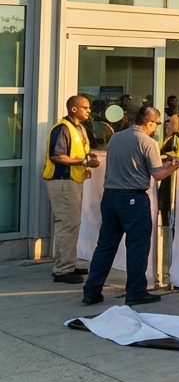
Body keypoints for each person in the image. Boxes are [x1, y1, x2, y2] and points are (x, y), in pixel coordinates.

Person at [81, 106, 179, 307]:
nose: (157, 127)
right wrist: (172, 167)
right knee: (137, 247)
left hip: (110, 195)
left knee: (105, 245)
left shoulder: (116, 138)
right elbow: (157, 174)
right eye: (157, 123)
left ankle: (91, 290)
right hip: (133, 198)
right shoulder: (148, 142)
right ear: (149, 121)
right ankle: (135, 291)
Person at [45, 95, 99, 283]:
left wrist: (87, 156)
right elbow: (57, 156)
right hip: (62, 181)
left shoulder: (79, 128)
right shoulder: (62, 128)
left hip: (72, 180)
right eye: (85, 107)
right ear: (73, 109)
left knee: (71, 223)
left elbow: (74, 152)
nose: (88, 110)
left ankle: (68, 264)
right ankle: (62, 270)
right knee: (67, 223)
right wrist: (84, 161)